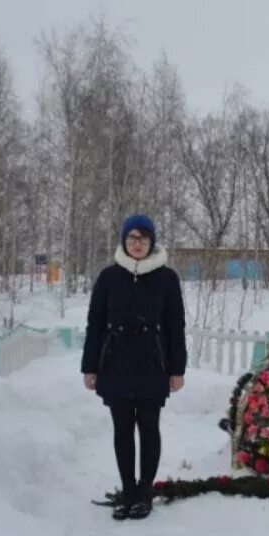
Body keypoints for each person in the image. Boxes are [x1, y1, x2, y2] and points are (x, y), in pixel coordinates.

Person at [81, 214, 187, 520]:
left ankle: (144, 492)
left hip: (152, 363)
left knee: (149, 427)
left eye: (142, 239)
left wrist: (177, 369)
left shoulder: (166, 278)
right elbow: (95, 325)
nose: (137, 244)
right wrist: (91, 367)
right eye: (131, 238)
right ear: (123, 242)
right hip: (115, 363)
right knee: (122, 429)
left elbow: (175, 326)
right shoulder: (108, 277)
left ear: (152, 242)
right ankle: (127, 491)